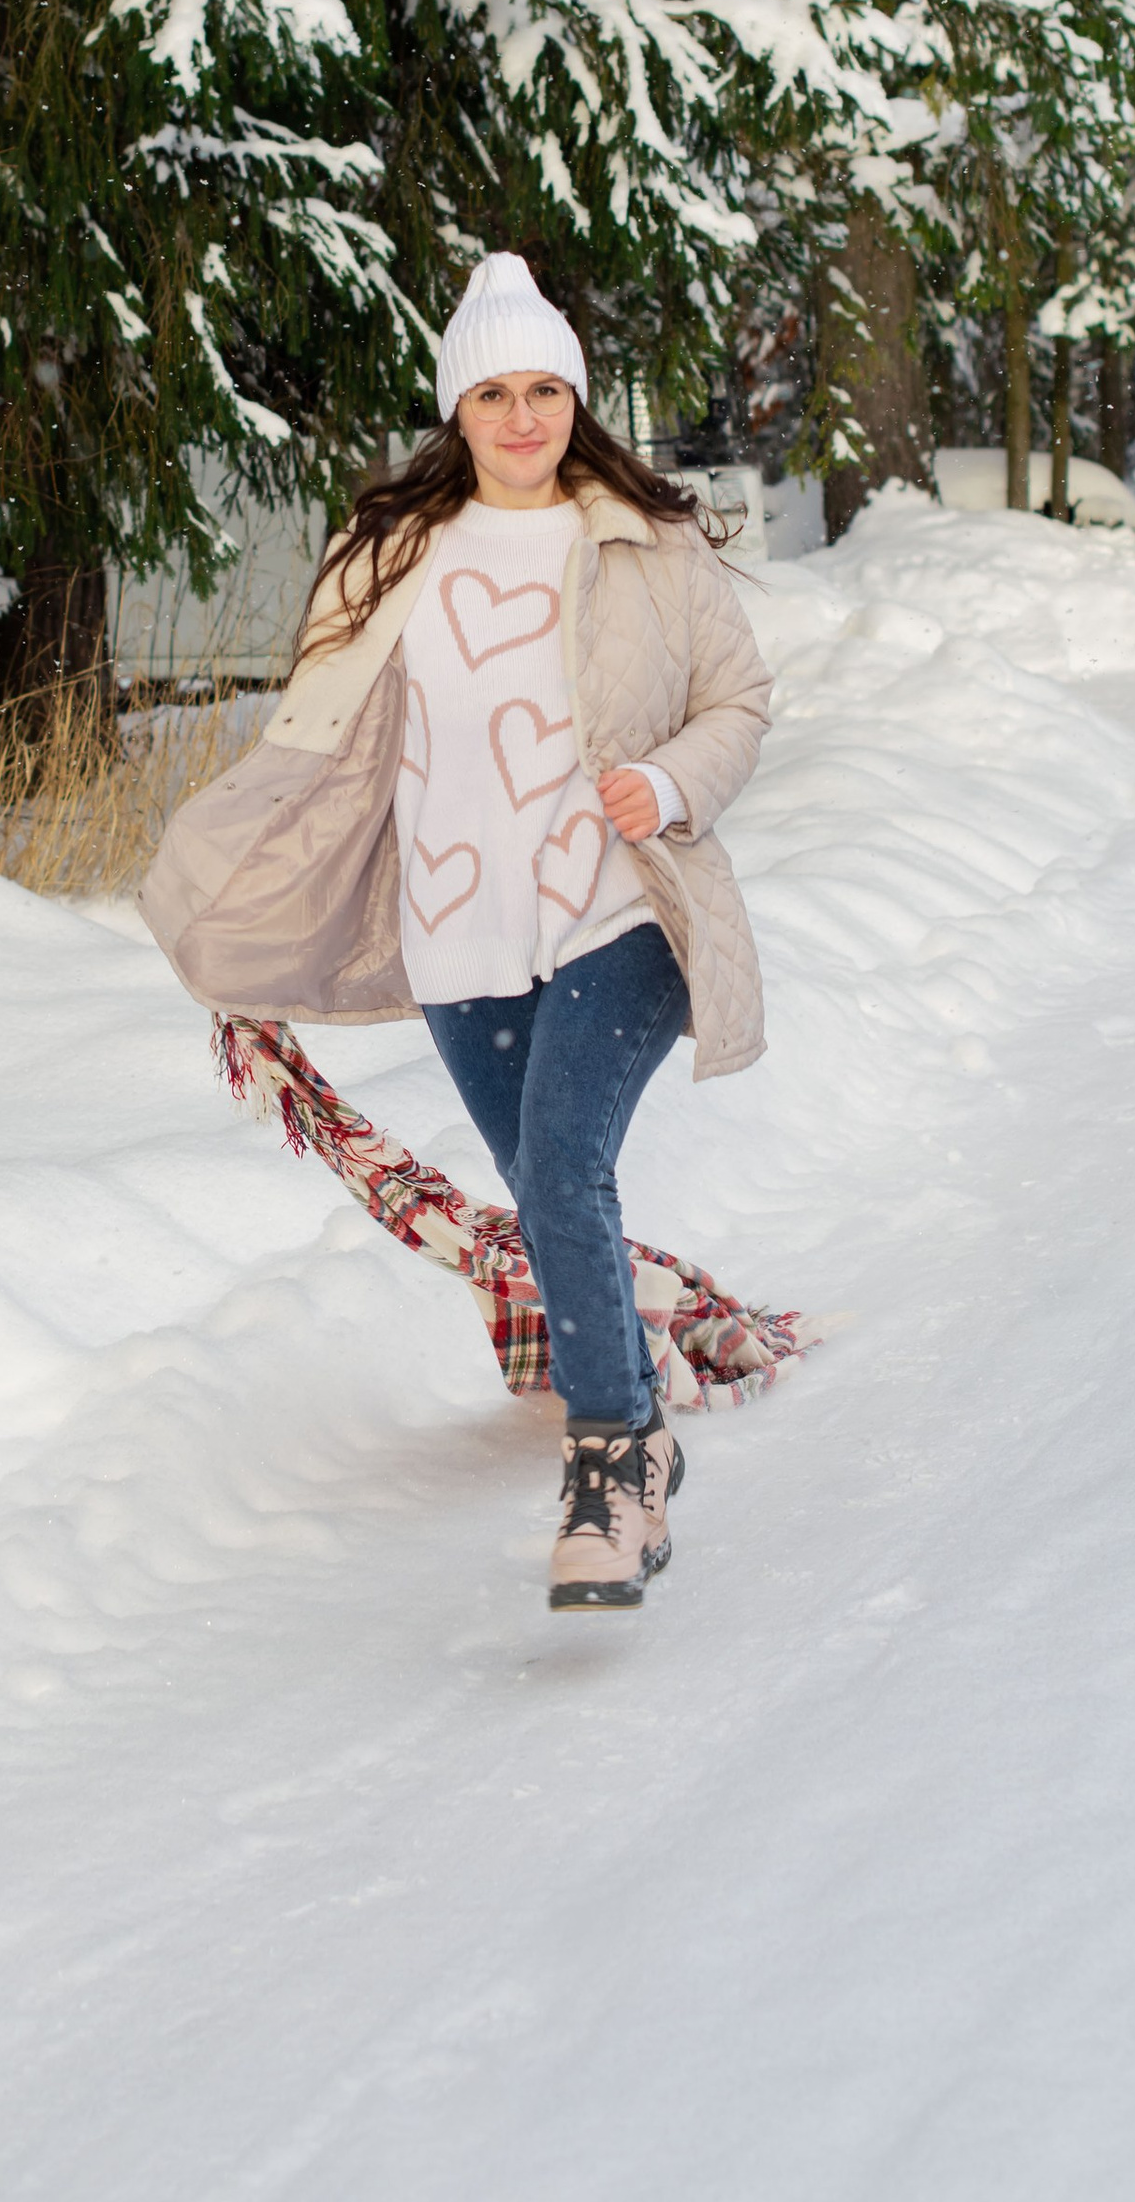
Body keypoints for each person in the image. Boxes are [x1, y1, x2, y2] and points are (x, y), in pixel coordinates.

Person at [141, 251, 773, 1610]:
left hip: (623, 914)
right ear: (457, 408)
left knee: (556, 1170)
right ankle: (636, 1412)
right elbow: (327, 747)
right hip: (456, 941)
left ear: (578, 400)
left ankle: (614, 1467)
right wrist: (255, 901)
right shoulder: (387, 555)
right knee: (557, 1200)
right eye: (496, 391)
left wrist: (663, 786)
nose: (526, 417)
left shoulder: (646, 544)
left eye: (548, 388)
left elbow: (740, 705)